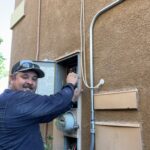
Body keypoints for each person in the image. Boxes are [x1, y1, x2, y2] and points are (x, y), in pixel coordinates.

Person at [0, 60, 80, 150]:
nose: (30, 82)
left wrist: (70, 101)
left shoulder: (6, 98)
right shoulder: (18, 99)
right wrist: (70, 84)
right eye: (25, 77)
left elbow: (45, 116)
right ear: (12, 79)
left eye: (34, 79)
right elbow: (53, 102)